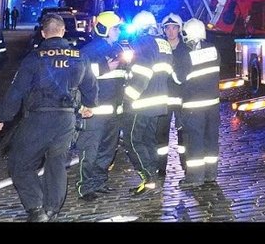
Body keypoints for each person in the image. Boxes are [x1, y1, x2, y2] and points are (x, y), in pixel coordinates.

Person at [0, 13, 97, 222]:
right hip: (67, 120)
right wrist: (89, 105)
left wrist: (1, 118)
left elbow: (17, 91)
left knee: (19, 164)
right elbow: (91, 86)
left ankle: (36, 208)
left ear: (43, 33)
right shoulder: (79, 56)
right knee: (56, 163)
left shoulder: (34, 57)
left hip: (39, 119)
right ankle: (52, 210)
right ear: (63, 31)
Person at [120, 10, 175, 196]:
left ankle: (148, 177)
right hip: (158, 102)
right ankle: (152, 179)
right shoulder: (164, 44)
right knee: (148, 141)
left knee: (133, 141)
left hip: (140, 103)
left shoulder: (142, 43)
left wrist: (128, 98)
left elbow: (141, 75)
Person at [77, 11, 126, 201]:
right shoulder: (89, 50)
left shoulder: (118, 48)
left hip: (114, 110)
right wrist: (107, 67)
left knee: (107, 149)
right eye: (116, 28)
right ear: (104, 29)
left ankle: (99, 181)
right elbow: (81, 75)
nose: (118, 32)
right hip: (94, 112)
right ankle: (85, 187)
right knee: (90, 150)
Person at [177, 19, 220, 188]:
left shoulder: (186, 54)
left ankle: (195, 177)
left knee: (194, 142)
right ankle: (210, 174)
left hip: (194, 106)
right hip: (213, 104)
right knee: (211, 140)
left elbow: (178, 78)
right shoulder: (213, 50)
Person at [159, 13, 187, 176]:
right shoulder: (159, 50)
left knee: (183, 134)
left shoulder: (185, 50)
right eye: (167, 28)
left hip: (182, 98)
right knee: (161, 134)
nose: (171, 31)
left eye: (174, 28)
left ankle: (185, 164)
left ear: (179, 29)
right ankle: (161, 167)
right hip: (164, 98)